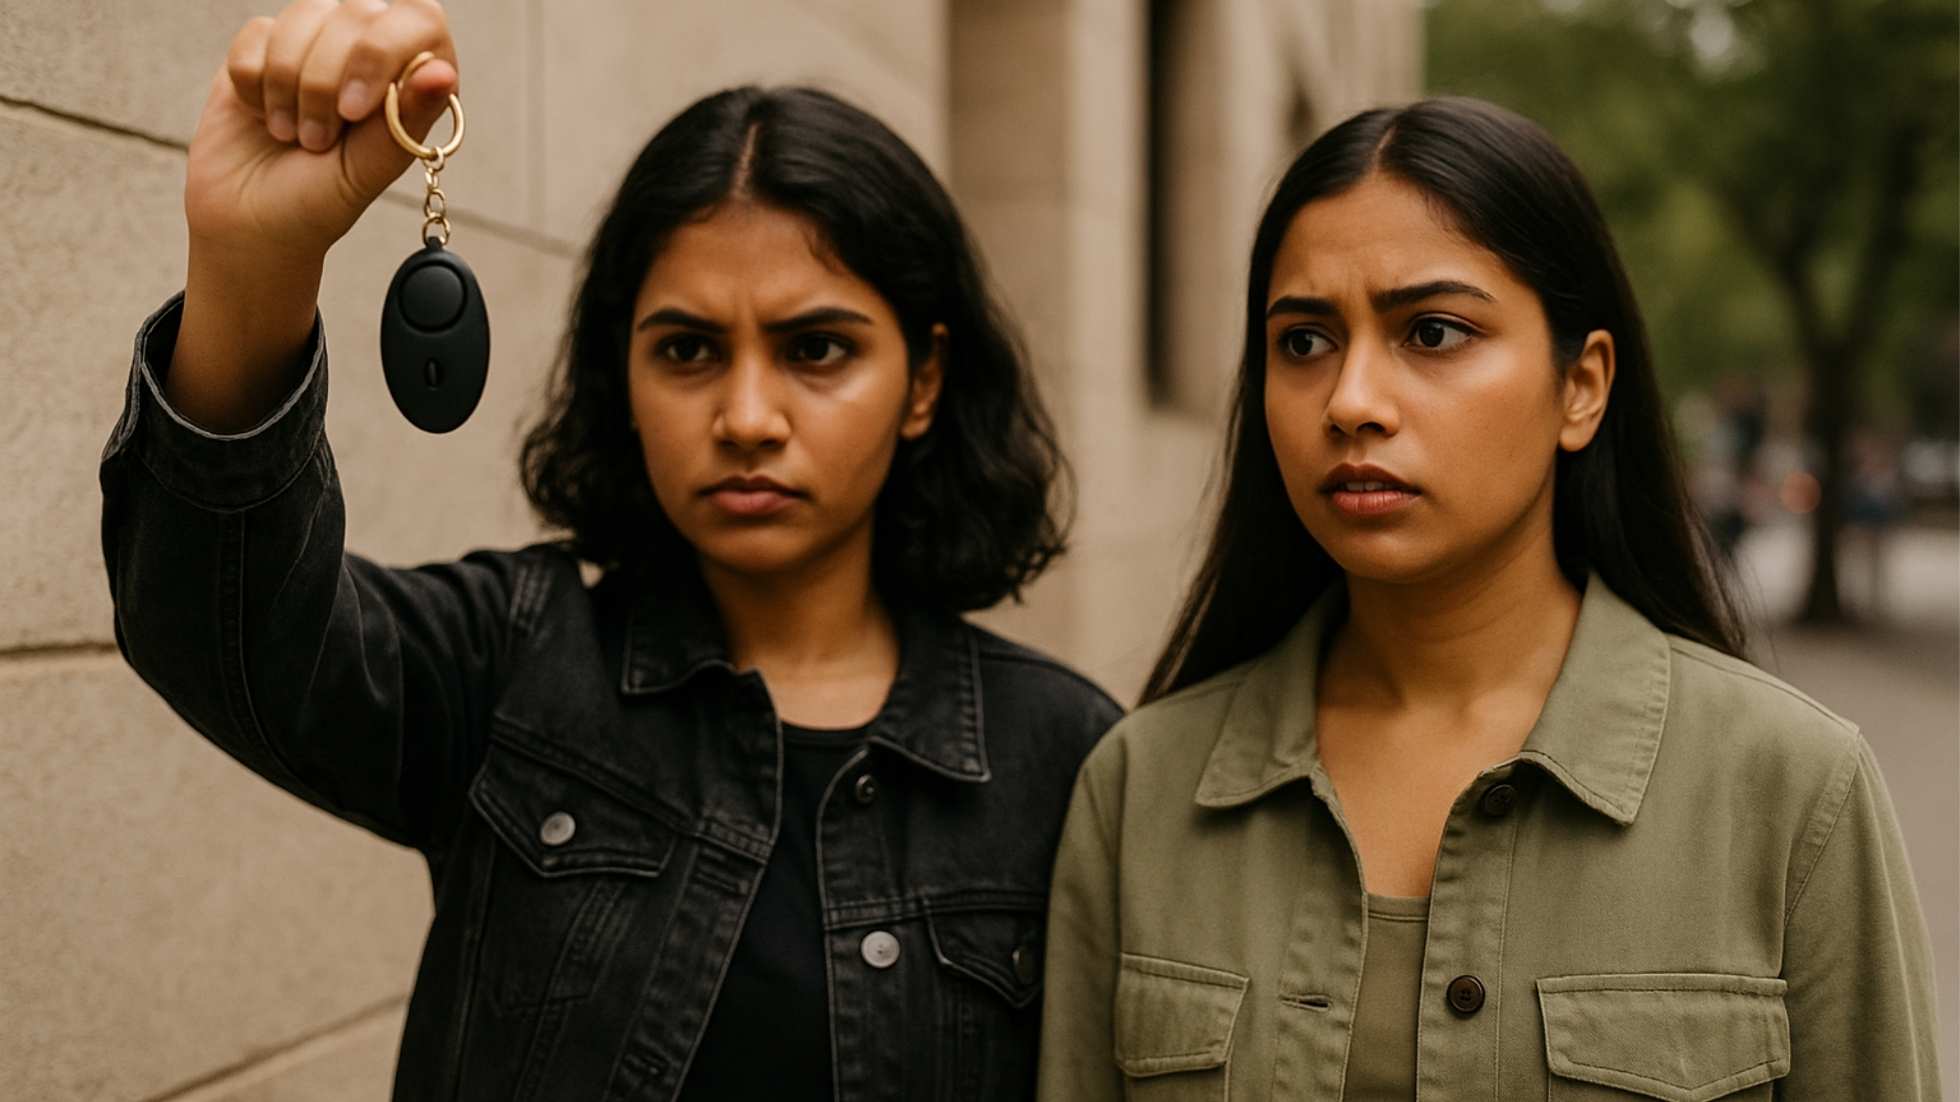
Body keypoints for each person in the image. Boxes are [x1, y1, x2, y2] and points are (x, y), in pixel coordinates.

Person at [99, 3, 1119, 1098]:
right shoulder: (515, 667)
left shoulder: (1067, 759)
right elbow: (221, 625)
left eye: (817, 348)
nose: (746, 417)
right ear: (621, 376)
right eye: (687, 349)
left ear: (923, 382)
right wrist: (254, 261)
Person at [1037, 97, 1942, 1099]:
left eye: (1432, 331)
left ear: (1580, 386)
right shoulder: (1141, 790)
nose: (1350, 400)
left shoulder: (1790, 791)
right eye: (1303, 342)